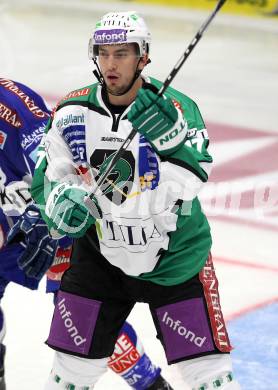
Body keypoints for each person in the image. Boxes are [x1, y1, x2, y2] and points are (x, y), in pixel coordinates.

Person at [31, 11, 241, 390]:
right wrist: (62, 201)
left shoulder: (176, 109)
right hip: (100, 258)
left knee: (210, 379)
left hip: (176, 258)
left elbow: (191, 182)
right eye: (104, 53)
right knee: (67, 375)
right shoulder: (72, 110)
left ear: (143, 57)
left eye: (122, 53)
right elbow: (49, 176)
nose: (111, 64)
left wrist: (173, 143)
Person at [0, 77, 173, 390]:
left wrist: (48, 209)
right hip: (10, 219)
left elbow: (53, 160)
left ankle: (152, 385)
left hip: (54, 215)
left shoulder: (11, 106)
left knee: (79, 314)